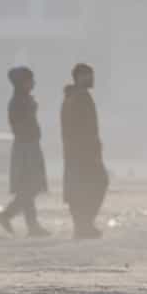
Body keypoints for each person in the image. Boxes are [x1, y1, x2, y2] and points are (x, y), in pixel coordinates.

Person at [0, 67, 50, 237]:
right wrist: (31, 135)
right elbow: (19, 126)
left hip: (29, 145)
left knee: (29, 187)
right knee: (29, 186)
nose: (33, 83)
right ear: (22, 82)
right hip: (26, 146)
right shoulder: (18, 102)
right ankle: (8, 216)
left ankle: (31, 225)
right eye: (30, 80)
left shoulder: (22, 100)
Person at [61, 63, 109, 239]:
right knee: (97, 183)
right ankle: (84, 224)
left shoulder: (73, 97)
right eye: (88, 75)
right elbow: (84, 128)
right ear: (79, 77)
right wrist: (92, 151)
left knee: (80, 187)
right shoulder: (79, 98)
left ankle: (83, 225)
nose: (92, 79)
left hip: (76, 152)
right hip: (83, 152)